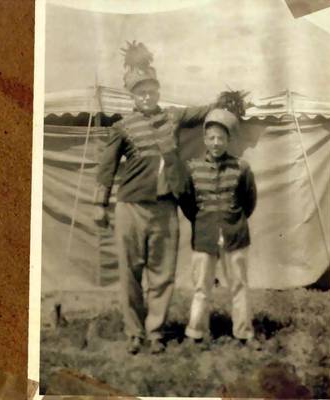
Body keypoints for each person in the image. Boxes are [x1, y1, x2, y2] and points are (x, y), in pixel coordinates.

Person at [93, 41, 219, 354]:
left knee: (162, 273)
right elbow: (106, 167)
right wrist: (99, 205)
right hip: (131, 207)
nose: (147, 97)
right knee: (130, 273)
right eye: (141, 93)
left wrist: (223, 103)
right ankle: (134, 332)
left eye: (151, 91)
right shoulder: (122, 127)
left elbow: (201, 112)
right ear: (133, 96)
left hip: (165, 207)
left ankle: (155, 332)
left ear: (158, 92)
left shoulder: (173, 118)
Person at [179, 108, 258, 344]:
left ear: (228, 140)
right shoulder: (193, 168)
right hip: (204, 237)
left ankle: (243, 332)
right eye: (211, 138)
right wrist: (205, 221)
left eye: (221, 138)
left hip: (235, 235)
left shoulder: (241, 167)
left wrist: (233, 219)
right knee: (201, 287)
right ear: (205, 140)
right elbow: (188, 204)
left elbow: (249, 201)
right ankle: (196, 331)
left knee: (239, 285)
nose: (216, 143)